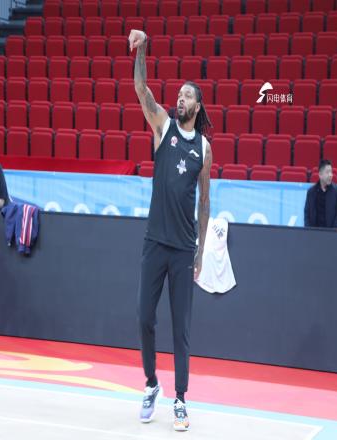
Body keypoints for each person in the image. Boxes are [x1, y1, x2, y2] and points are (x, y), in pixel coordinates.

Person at [129, 29, 213, 431]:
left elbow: (205, 203)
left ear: (197, 105)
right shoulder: (163, 127)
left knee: (181, 329)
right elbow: (141, 89)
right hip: (154, 243)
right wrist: (142, 48)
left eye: (186, 95)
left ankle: (180, 399)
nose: (179, 98)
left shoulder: (204, 148)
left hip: (182, 249)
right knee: (144, 317)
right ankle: (151, 384)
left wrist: (199, 252)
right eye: (178, 94)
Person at [304, 159, 337, 229]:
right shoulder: (311, 192)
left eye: (331, 172)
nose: (331, 175)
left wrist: (333, 232)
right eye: (327, 172)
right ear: (320, 174)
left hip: (331, 232)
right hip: (314, 232)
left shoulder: (336, 191)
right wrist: (309, 231)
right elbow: (307, 214)